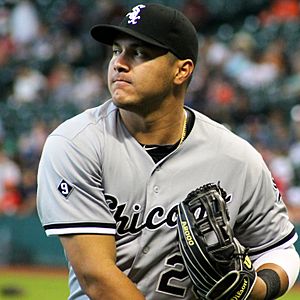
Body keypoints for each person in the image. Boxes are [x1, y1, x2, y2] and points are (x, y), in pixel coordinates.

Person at [37, 3, 299, 300]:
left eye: (139, 53)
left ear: (182, 70)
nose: (119, 63)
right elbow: (97, 278)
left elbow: (280, 250)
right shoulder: (76, 144)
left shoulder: (236, 158)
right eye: (116, 51)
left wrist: (257, 288)